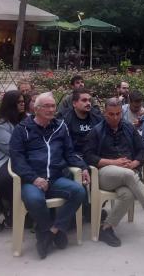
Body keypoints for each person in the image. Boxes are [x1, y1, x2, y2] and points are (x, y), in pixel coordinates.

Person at [9, 93, 89, 259]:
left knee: (79, 192)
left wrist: (83, 167)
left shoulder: (60, 127)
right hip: (32, 180)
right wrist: (34, 178)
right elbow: (17, 160)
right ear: (36, 109)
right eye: (47, 106)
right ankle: (48, 231)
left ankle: (51, 232)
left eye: (53, 106)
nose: (52, 109)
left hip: (56, 178)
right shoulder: (22, 129)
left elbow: (69, 153)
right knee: (34, 199)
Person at [83, 98, 144, 247]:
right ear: (105, 113)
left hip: (127, 172)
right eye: (111, 114)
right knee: (129, 175)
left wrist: (135, 163)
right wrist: (114, 162)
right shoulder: (97, 131)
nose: (115, 117)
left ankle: (106, 228)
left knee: (128, 194)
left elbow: (143, 149)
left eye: (118, 114)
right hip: (104, 174)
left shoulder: (128, 127)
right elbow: (88, 156)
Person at [0, 90, 27, 223]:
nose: (23, 104)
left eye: (23, 101)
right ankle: (12, 210)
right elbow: (13, 150)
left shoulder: (28, 120)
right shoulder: (1, 126)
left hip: (25, 157)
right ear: (10, 104)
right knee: (7, 179)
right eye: (19, 102)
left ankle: (29, 209)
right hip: (5, 160)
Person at [60, 88, 103, 156]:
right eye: (84, 100)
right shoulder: (65, 120)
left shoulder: (97, 117)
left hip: (96, 155)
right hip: (75, 156)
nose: (88, 103)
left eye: (89, 100)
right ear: (74, 103)